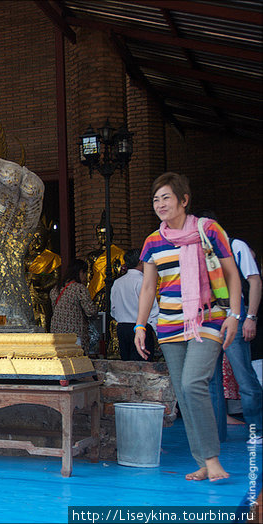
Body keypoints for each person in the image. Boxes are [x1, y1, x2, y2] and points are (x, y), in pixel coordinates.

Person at [135, 172, 240, 482]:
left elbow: (232, 274)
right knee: (183, 391)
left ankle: (212, 459)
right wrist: (141, 325)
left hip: (207, 318)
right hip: (168, 325)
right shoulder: (153, 241)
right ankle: (203, 462)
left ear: (183, 200)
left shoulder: (209, 230)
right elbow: (148, 288)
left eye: (166, 197)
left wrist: (235, 315)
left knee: (194, 383)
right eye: (155, 199)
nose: (160, 204)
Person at [200, 211, 262, 446]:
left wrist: (251, 317)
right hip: (210, 319)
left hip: (235, 315)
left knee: (243, 374)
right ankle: (217, 434)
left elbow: (254, 280)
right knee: (211, 380)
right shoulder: (199, 252)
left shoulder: (236, 246)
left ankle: (256, 429)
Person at [110, 248, 158, 361]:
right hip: (141, 327)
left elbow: (113, 309)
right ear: (141, 262)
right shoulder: (143, 282)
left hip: (122, 327)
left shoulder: (117, 283)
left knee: (127, 364)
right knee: (143, 364)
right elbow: (153, 309)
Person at [50, 259, 98, 355]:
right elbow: (90, 311)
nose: (86, 277)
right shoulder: (79, 288)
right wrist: (97, 306)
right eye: (85, 274)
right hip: (74, 334)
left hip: (56, 333)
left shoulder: (55, 289)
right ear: (81, 272)